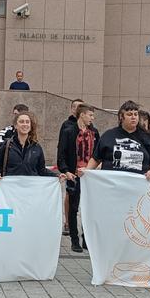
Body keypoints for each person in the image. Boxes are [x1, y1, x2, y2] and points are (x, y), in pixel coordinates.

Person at [57, 104, 100, 252]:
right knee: (74, 208)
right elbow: (61, 154)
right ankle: (75, 240)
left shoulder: (94, 132)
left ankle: (87, 240)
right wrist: (66, 171)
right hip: (74, 174)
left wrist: (97, 168)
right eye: (90, 115)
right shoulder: (69, 131)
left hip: (90, 175)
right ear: (82, 115)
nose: (92, 118)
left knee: (89, 209)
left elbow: (98, 154)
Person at [85, 101, 150, 180]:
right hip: (111, 184)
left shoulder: (147, 136)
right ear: (121, 117)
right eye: (129, 114)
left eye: (136, 114)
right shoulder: (108, 135)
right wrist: (86, 171)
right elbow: (95, 159)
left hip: (138, 185)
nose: (133, 117)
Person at [0, 111, 64, 183]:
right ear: (15, 125)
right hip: (10, 189)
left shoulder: (37, 147)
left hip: (31, 190)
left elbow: (41, 170)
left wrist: (57, 176)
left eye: (27, 122)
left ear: (30, 126)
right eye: (21, 122)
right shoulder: (7, 145)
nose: (25, 124)